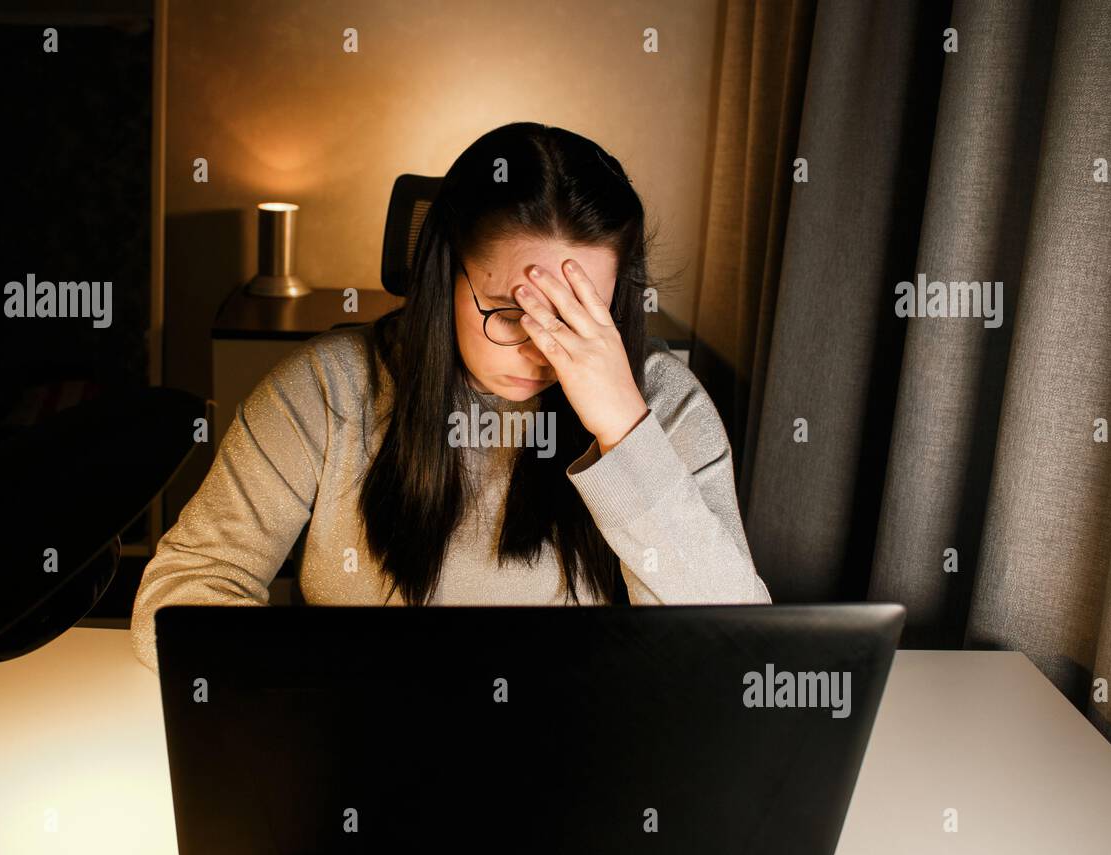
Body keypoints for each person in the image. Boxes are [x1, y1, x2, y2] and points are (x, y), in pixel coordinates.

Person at [129, 122, 770, 673]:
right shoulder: (325, 391)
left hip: (583, 753)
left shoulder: (668, 404)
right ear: (444, 274)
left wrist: (624, 433)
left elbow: (735, 645)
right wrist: (323, 685)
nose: (541, 351)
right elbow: (180, 592)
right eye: (508, 312)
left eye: (577, 317)